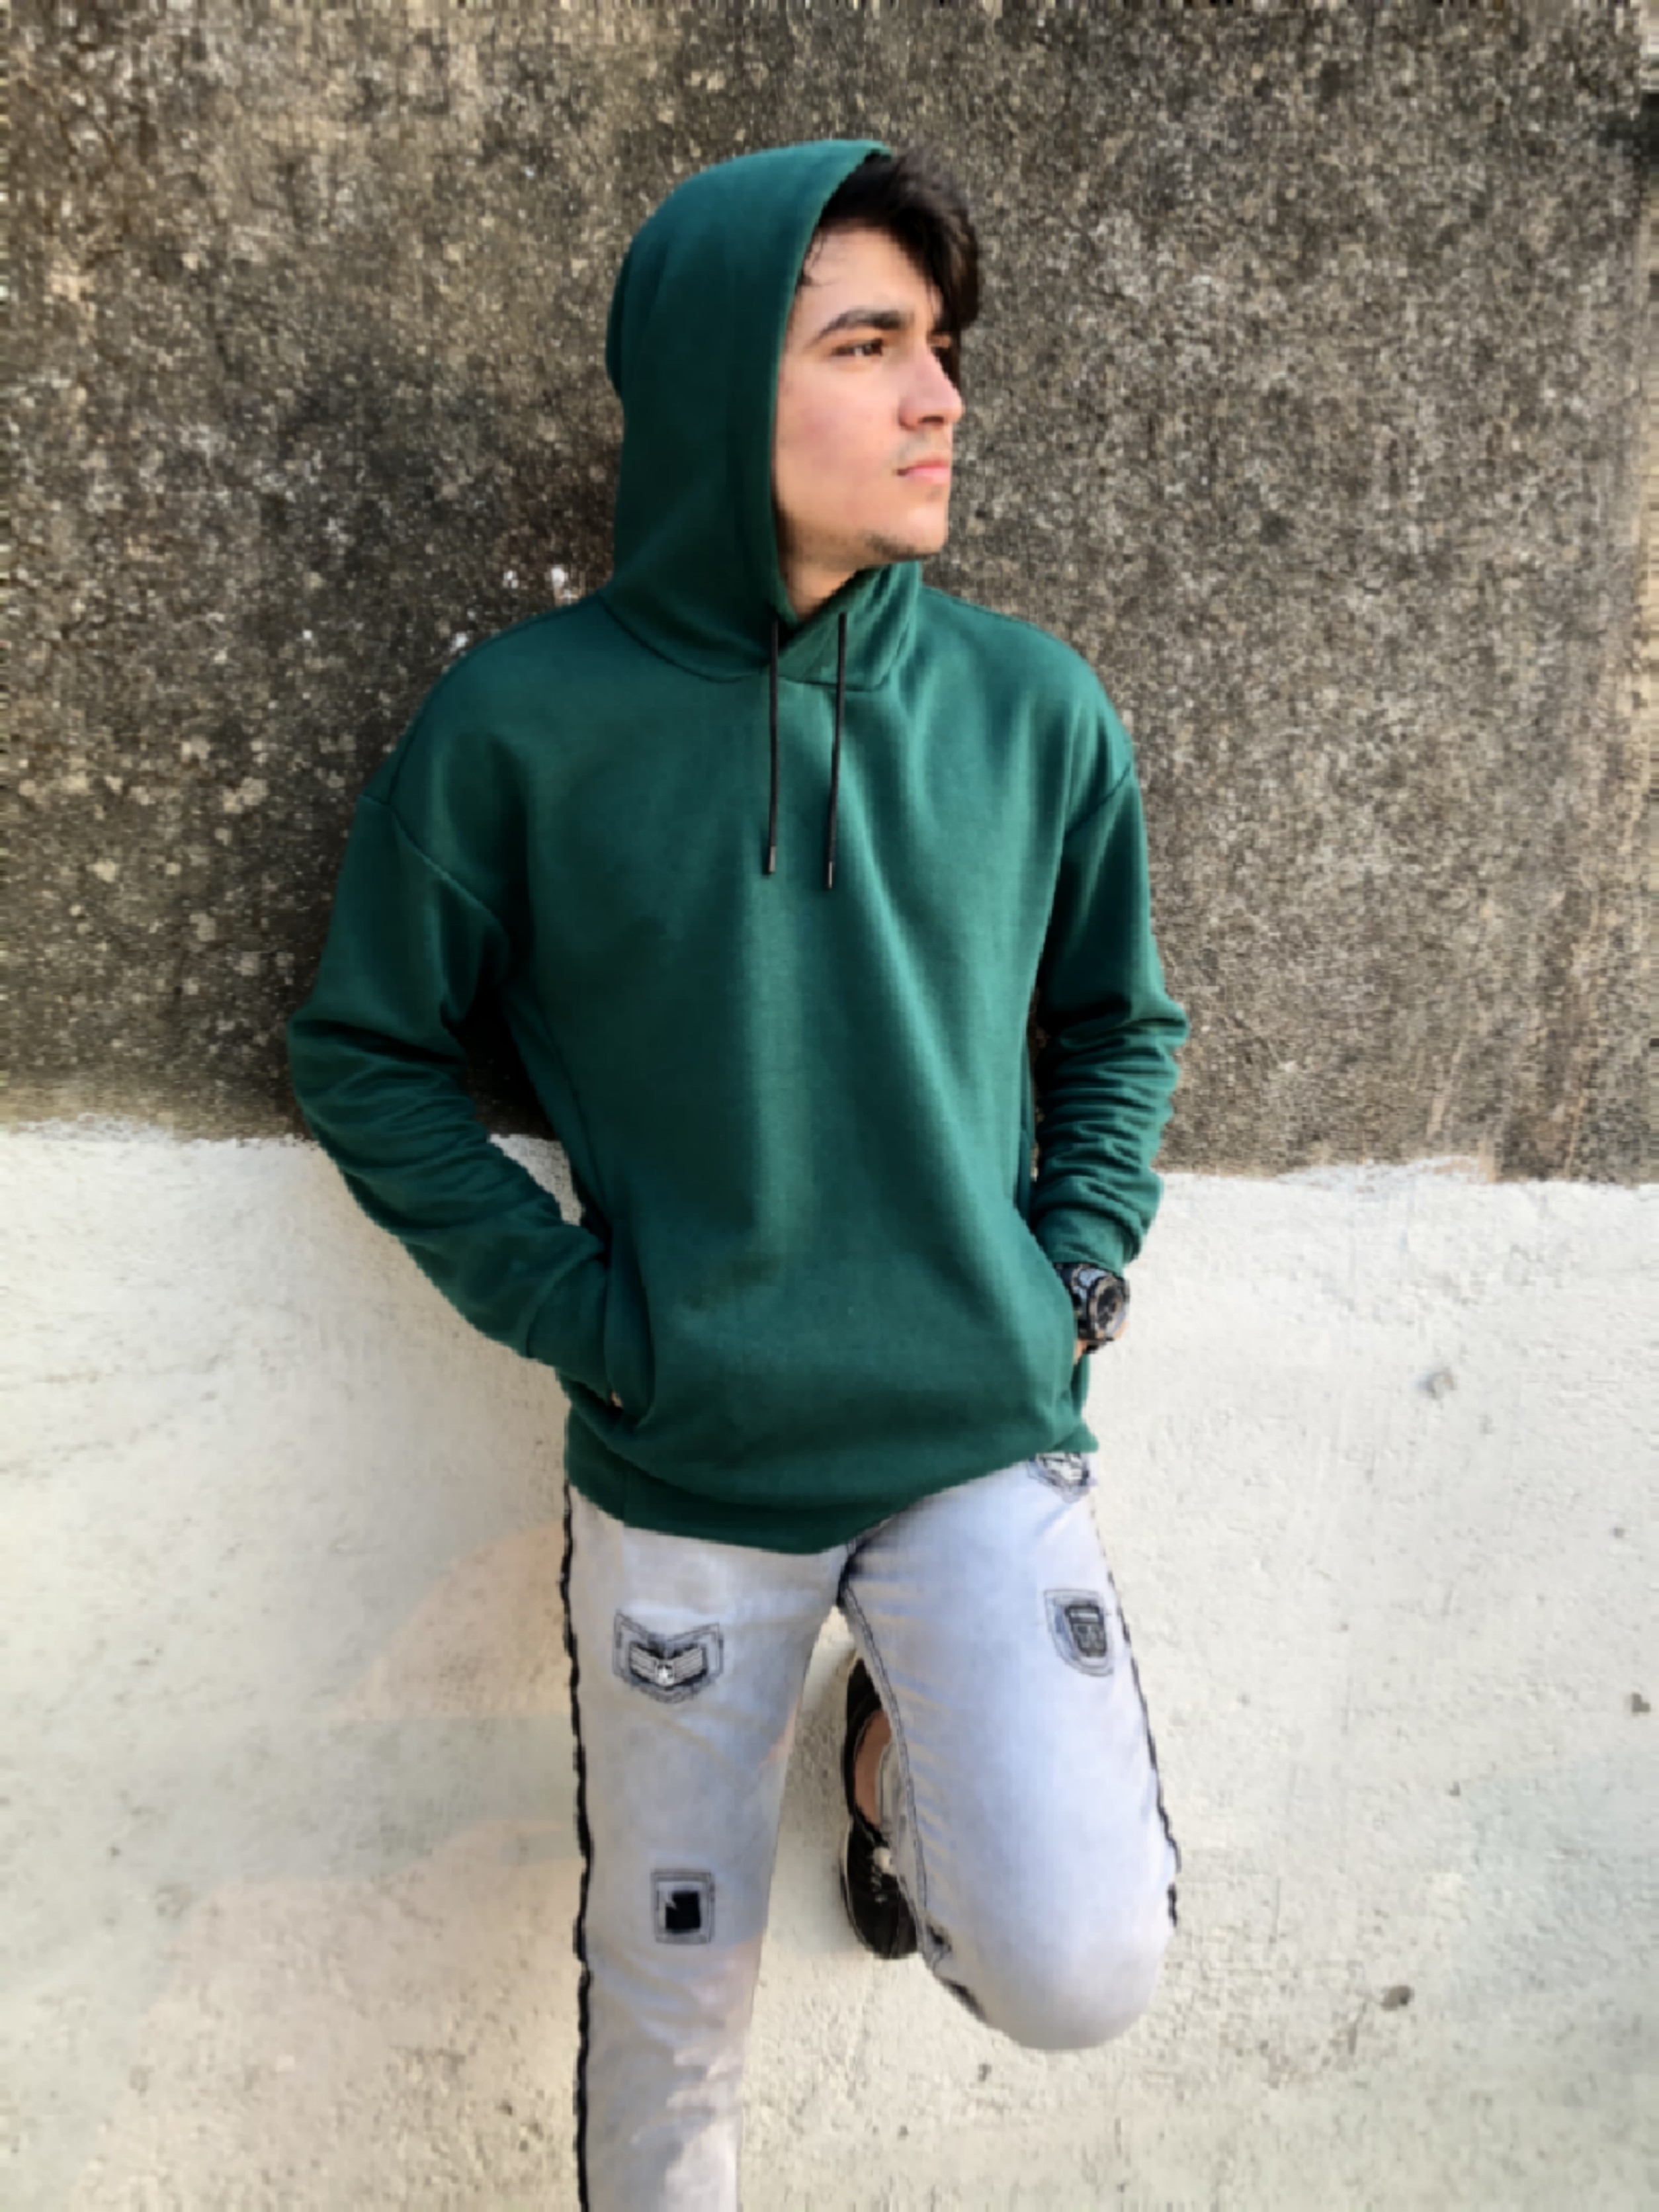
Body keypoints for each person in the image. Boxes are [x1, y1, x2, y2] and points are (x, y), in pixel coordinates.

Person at [288, 137, 1188, 2212]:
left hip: (974, 1432)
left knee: (1081, 1972)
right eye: (866, 345)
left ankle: (887, 1756)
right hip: (686, 1464)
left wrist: (1072, 1263)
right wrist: (586, 1316)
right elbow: (365, 1049)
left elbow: (1114, 1022)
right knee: (669, 2018)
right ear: (715, 387)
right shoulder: (524, 727)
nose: (936, 398)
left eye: (937, 347)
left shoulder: (1032, 709)